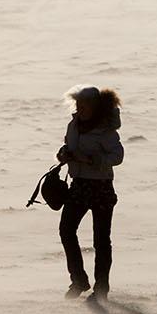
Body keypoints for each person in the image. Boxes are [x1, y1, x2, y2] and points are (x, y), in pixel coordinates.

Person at [55, 85, 124, 301]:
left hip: (101, 187)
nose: (79, 109)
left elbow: (118, 156)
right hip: (79, 185)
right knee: (66, 230)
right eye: (77, 105)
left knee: (101, 240)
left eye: (84, 106)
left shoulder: (106, 130)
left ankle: (101, 290)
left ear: (95, 108)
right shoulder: (74, 125)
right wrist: (64, 155)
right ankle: (79, 280)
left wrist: (93, 160)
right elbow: (67, 147)